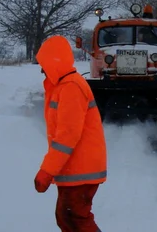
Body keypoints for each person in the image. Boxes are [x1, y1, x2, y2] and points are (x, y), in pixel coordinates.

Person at [33, 35, 107, 232]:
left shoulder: (71, 87)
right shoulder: (62, 86)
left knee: (75, 218)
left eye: (44, 64)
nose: (41, 69)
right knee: (67, 218)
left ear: (54, 62)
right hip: (74, 169)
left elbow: (67, 136)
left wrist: (47, 171)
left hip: (82, 170)